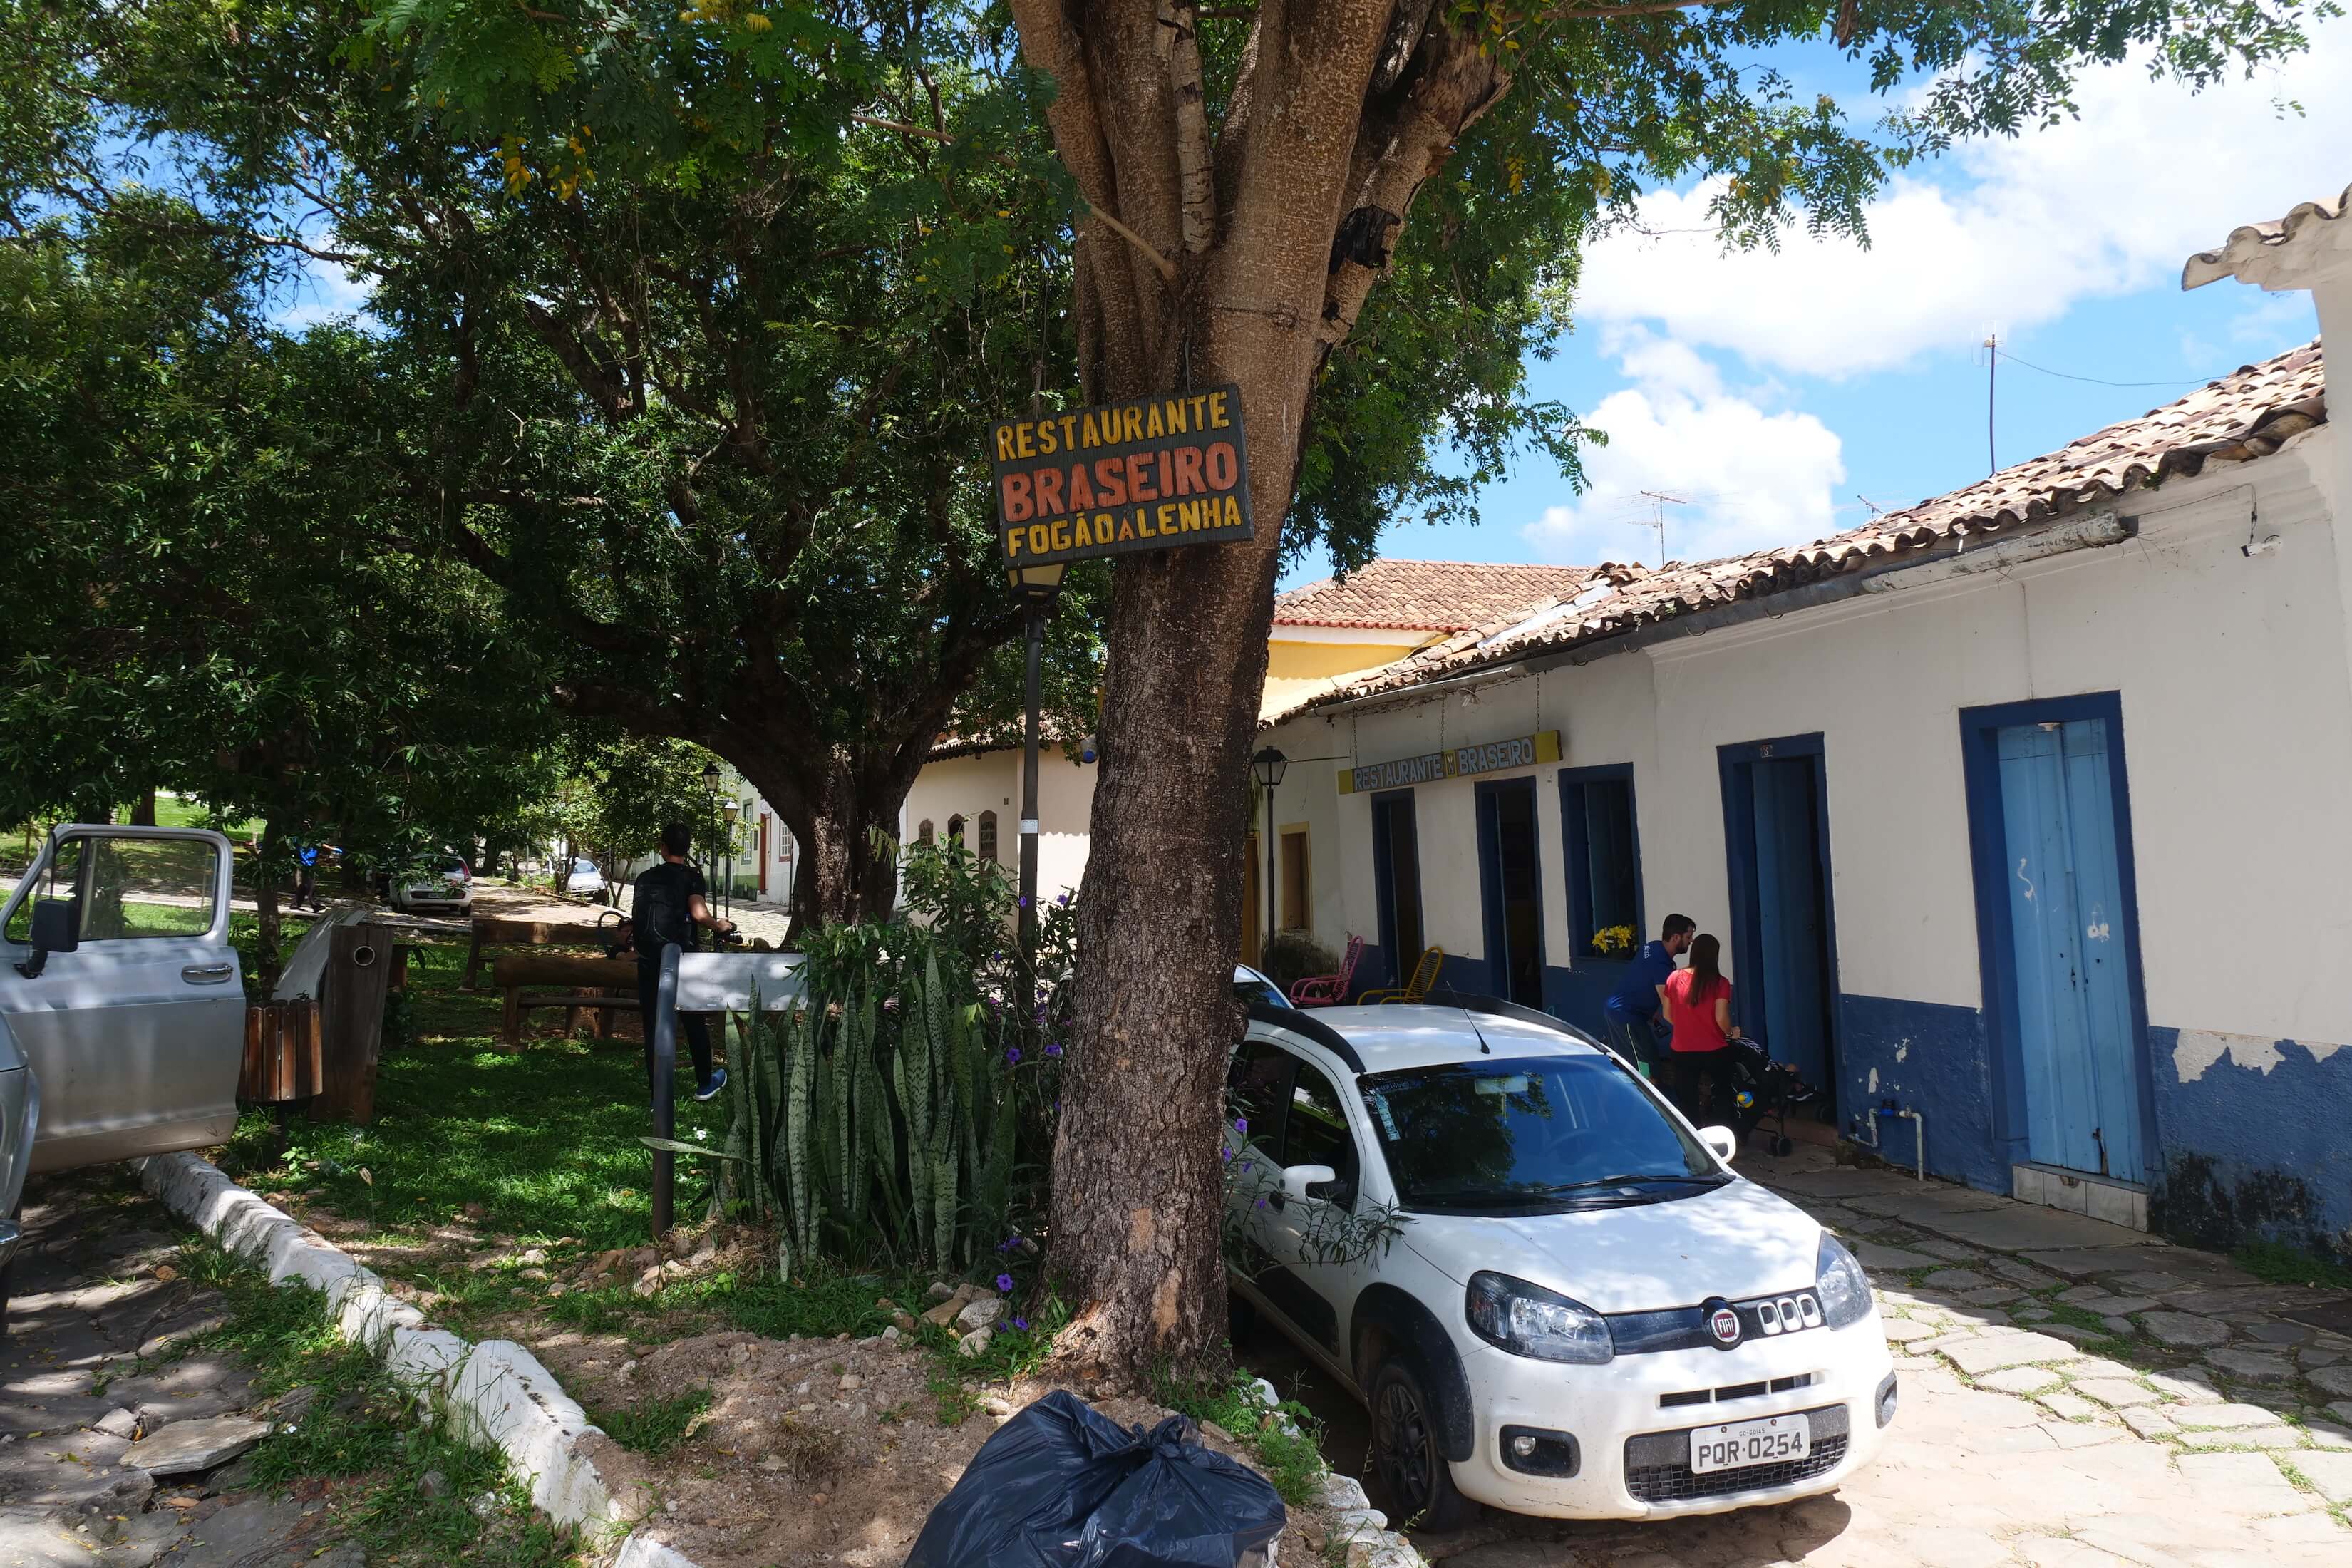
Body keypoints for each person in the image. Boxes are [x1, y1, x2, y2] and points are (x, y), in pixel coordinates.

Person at [631, 822, 736, 1102]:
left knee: (653, 1026)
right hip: (682, 959)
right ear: (687, 848)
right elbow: (699, 913)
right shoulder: (691, 876)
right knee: (693, 1021)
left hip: (649, 960)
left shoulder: (644, 877)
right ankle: (705, 1083)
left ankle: (657, 1095)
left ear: (662, 847)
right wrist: (720, 926)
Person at [1661, 932, 1740, 1125]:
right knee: (1723, 1094)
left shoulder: (1674, 978)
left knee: (1688, 1101)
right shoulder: (1720, 982)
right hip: (1714, 1049)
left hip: (1682, 1049)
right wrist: (1731, 1032)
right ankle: (1723, 1133)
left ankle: (1694, 1138)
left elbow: (1667, 1015)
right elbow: (1721, 1017)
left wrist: (1687, 1025)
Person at [1601, 914, 1695, 1071]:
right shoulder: (1661, 964)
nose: (1691, 941)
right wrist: (1692, 1029)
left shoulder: (1652, 947)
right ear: (1675, 937)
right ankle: (1646, 1084)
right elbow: (1670, 1008)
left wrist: (1651, 1010)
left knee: (1640, 1061)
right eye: (1688, 936)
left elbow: (1643, 977)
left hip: (1624, 1011)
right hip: (1626, 1015)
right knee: (1646, 1067)